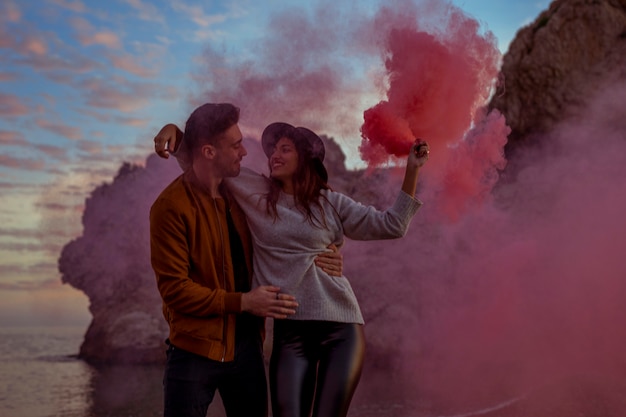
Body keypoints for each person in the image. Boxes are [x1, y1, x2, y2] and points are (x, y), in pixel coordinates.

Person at [154, 110, 430, 417]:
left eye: (285, 149)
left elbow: (393, 225)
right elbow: (207, 164)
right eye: (273, 149)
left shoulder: (331, 202)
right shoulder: (255, 191)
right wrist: (175, 135)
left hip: (341, 328)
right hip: (290, 333)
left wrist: (413, 170)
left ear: (305, 158)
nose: (274, 154)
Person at [149, 103, 344, 417]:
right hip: (192, 352)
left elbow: (295, 223)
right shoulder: (170, 207)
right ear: (211, 152)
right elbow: (175, 290)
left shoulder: (243, 196)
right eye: (236, 145)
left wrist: (328, 250)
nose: (244, 152)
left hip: (247, 351)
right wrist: (243, 303)